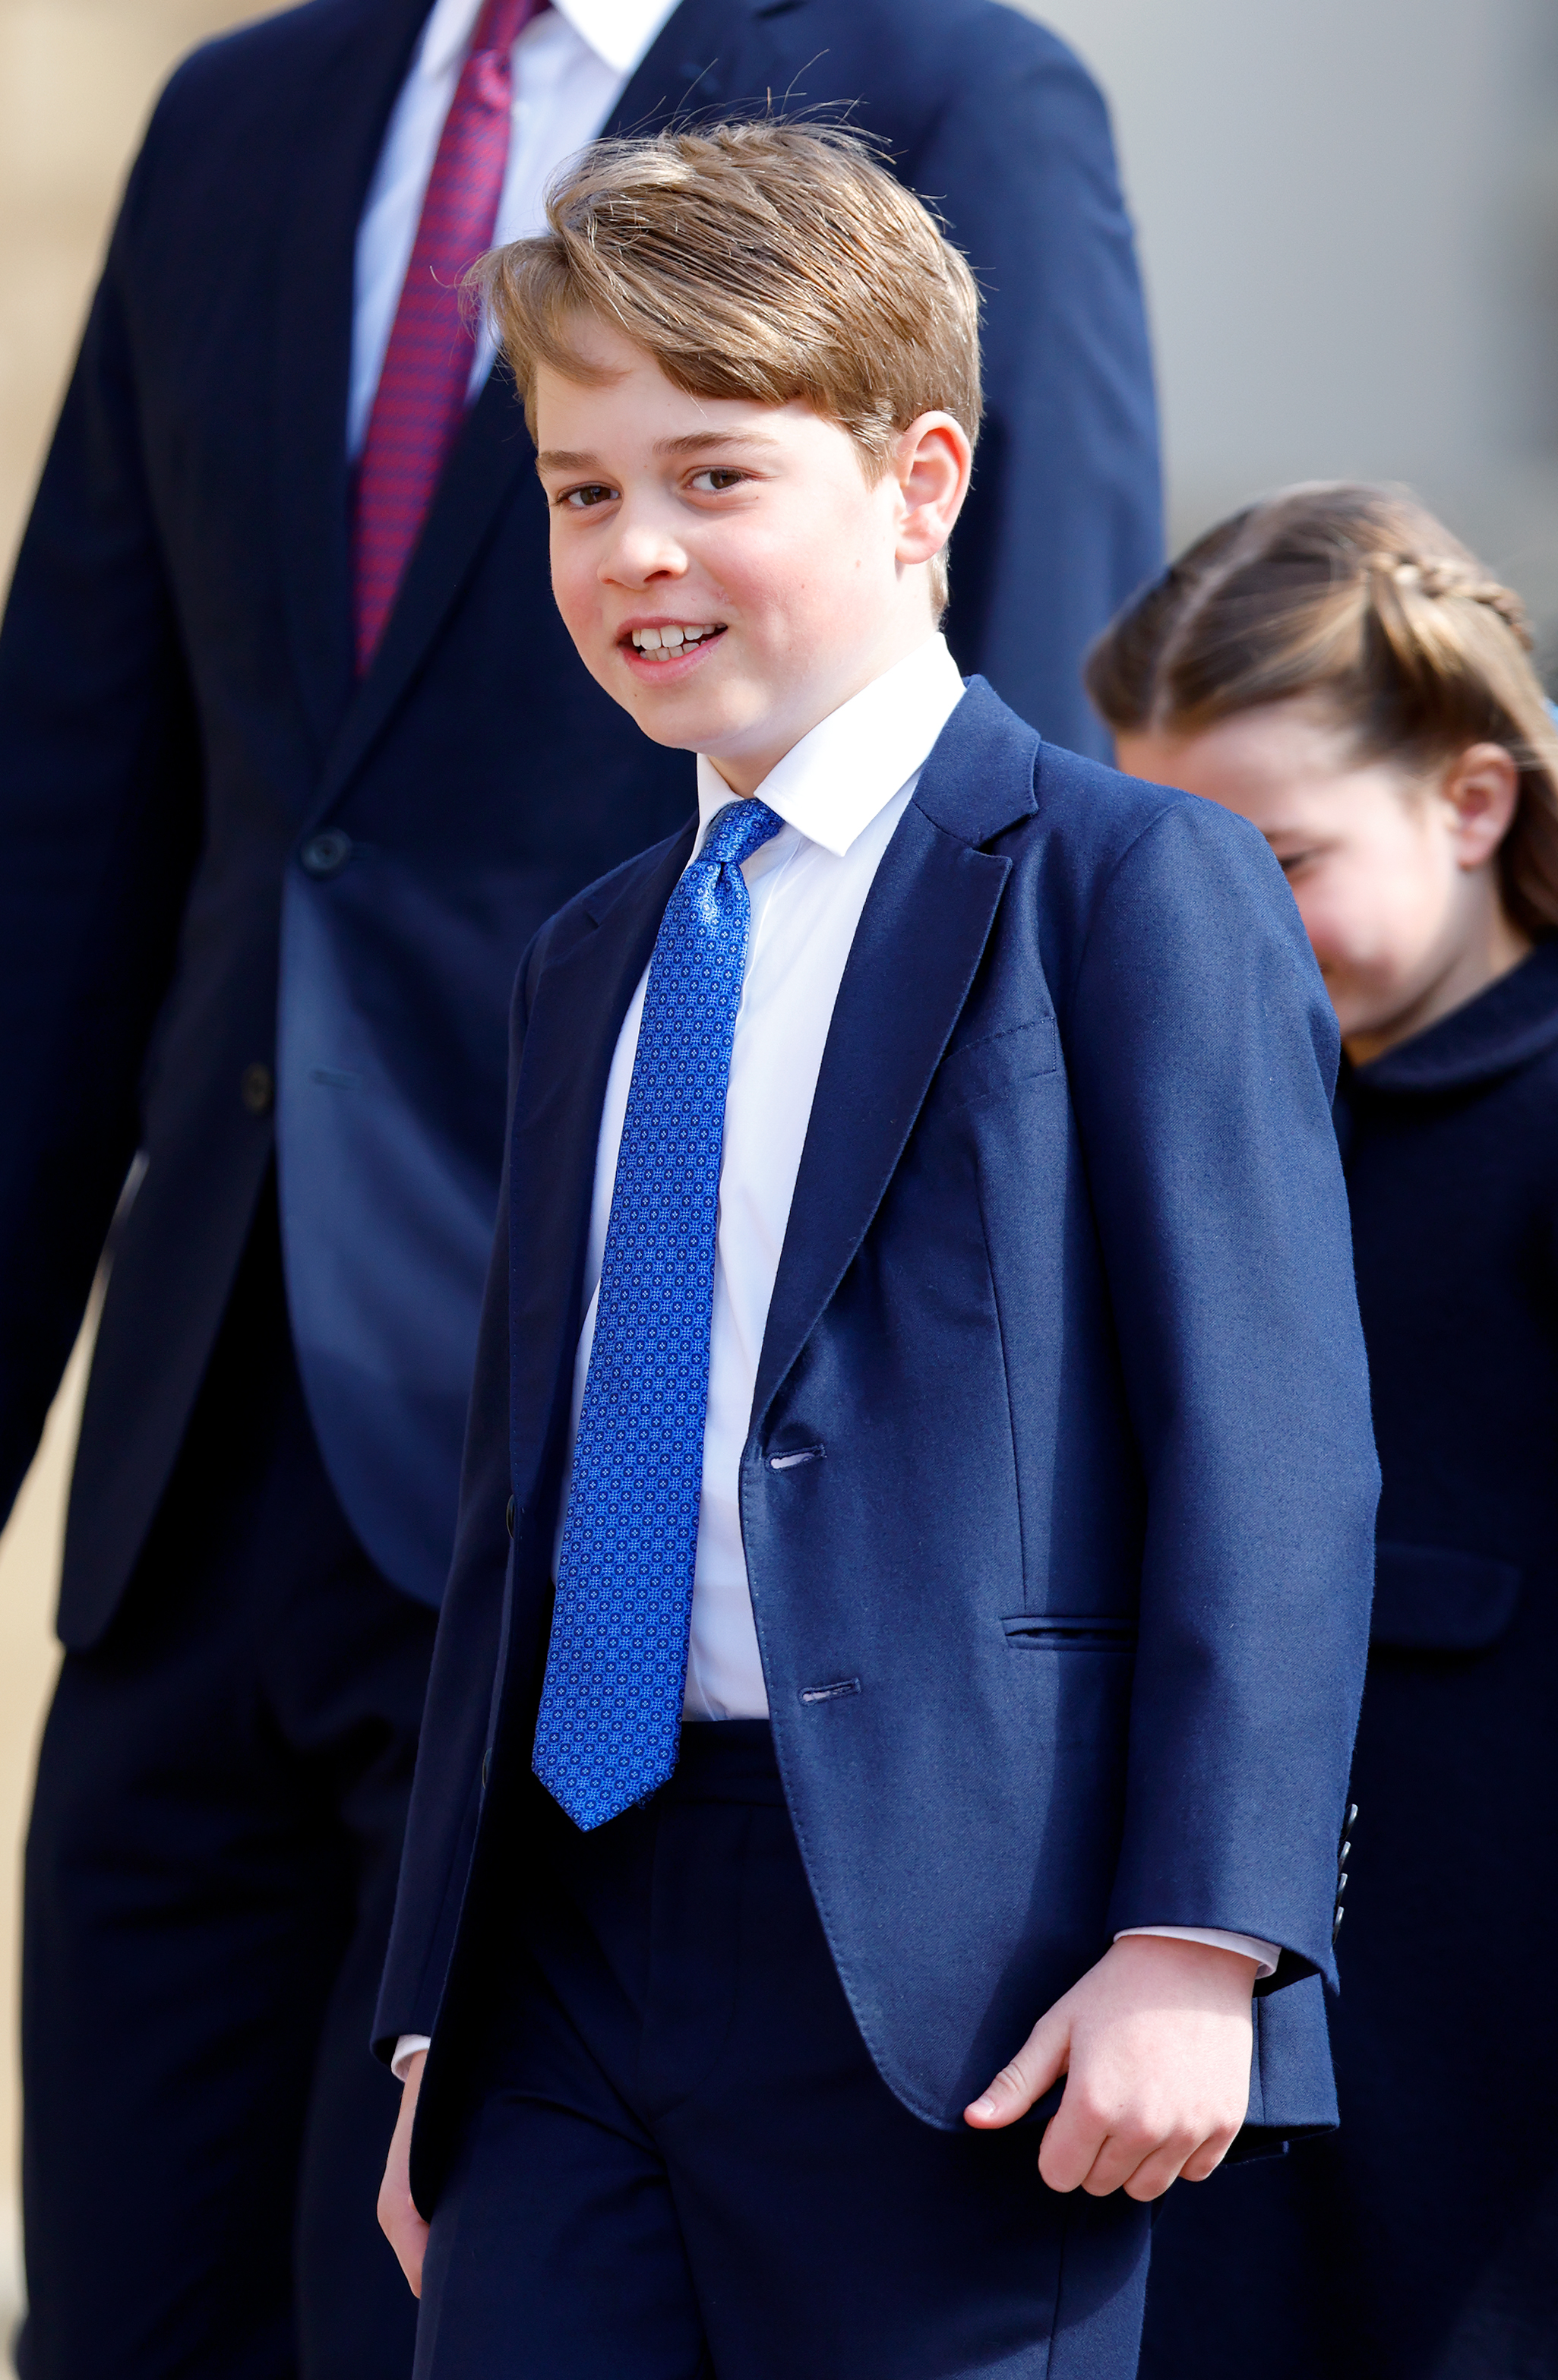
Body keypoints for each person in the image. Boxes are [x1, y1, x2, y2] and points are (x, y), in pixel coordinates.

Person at [0, 2, 1161, 2374]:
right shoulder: (241, 107)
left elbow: (1019, 814)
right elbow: (75, 809)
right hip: (196, 1471)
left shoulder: (949, 85)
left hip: (637, 1490)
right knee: (123, 2295)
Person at [370, 124, 1377, 2380]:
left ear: (918, 482)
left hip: (965, 1962)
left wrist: (1198, 1933)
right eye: (576, 488)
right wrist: (436, 1997)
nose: (635, 550)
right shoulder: (588, 957)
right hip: (570, 1941)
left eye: (713, 476)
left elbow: (1270, 1446)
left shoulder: (1125, 888)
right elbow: (515, 1504)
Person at [1091, 483, 1558, 2380]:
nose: (1226, 928)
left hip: (1495, 2077)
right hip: (1251, 2060)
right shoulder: (1209, 1128)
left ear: (1471, 802)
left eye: (1277, 858)